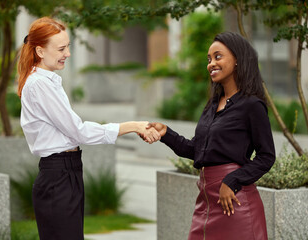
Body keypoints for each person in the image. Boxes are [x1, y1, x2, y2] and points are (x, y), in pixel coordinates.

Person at [17, 17, 160, 240]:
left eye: (68, 47)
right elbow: (78, 131)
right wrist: (132, 126)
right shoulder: (39, 85)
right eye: (61, 49)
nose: (68, 54)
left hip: (67, 172)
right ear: (40, 51)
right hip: (58, 176)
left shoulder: (48, 82)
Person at [144, 32, 275, 240]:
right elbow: (196, 150)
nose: (211, 63)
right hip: (205, 200)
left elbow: (266, 156)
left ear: (238, 60)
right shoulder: (213, 105)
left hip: (234, 201)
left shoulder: (252, 105)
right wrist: (166, 133)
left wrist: (231, 181)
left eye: (218, 56)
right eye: (209, 59)